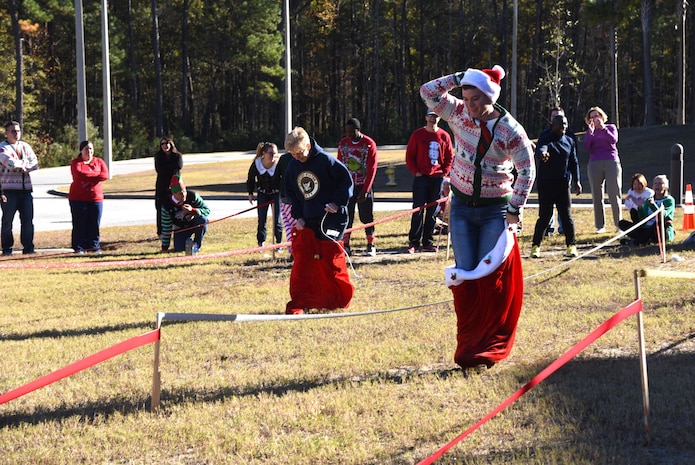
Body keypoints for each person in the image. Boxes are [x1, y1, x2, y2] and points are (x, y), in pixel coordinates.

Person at [420, 65, 535, 370]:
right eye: (466, 97)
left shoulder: (511, 130)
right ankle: (469, 347)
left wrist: (514, 210)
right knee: (464, 276)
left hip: (494, 210)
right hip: (460, 209)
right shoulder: (457, 114)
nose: (468, 104)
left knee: (488, 279)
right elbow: (427, 92)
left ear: (489, 97)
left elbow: (527, 170)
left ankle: (487, 347)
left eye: (474, 99)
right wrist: (460, 78)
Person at [283, 127, 354, 315]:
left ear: (308, 145)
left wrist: (337, 203)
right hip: (307, 221)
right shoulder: (292, 166)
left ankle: (336, 299)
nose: (296, 157)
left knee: (330, 263)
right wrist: (298, 216)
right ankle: (302, 302)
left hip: (331, 219)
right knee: (304, 265)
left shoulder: (327, 161)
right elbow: (292, 194)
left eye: (299, 153)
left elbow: (346, 183)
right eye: (292, 154)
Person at [530, 115, 582, 258]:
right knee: (545, 216)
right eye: (561, 124)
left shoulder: (569, 141)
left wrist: (577, 181)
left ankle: (571, 246)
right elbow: (541, 149)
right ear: (553, 125)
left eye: (566, 124)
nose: (564, 127)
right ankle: (536, 246)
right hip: (546, 183)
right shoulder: (546, 138)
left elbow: (574, 162)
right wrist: (543, 154)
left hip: (562, 183)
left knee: (566, 216)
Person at [405, 109, 454, 253]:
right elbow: (410, 156)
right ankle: (414, 242)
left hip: (436, 178)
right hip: (421, 178)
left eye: (436, 116)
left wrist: (444, 172)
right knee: (418, 210)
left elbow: (450, 156)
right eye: (430, 116)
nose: (433, 119)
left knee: (432, 211)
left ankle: (428, 241)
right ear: (426, 117)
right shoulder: (418, 135)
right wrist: (417, 172)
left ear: (439, 118)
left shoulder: (444, 136)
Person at [336, 118, 378, 256]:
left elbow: (372, 169)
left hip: (363, 185)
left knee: (367, 216)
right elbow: (340, 166)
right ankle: (346, 244)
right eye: (347, 131)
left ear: (358, 130)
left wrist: (366, 190)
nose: (349, 134)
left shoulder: (369, 144)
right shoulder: (343, 144)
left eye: (352, 131)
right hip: (348, 186)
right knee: (347, 216)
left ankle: (370, 244)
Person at [0, 121, 39, 256]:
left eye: (18, 131)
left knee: (28, 221)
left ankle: (28, 248)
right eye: (13, 131)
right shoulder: (2, 148)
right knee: (7, 222)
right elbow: (10, 163)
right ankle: (7, 249)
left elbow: (35, 163)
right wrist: (24, 164)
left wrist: (23, 165)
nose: (16, 134)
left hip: (26, 190)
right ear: (6, 133)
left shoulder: (25, 146)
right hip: (9, 191)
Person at [583, 106, 622, 233]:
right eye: (592, 117)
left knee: (614, 193)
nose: (595, 118)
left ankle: (618, 224)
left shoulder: (610, 127)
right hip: (594, 162)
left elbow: (613, 140)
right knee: (597, 195)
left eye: (597, 115)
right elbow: (586, 148)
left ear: (602, 116)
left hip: (611, 160)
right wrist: (590, 133)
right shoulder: (590, 132)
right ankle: (600, 226)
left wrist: (603, 128)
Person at [68, 140, 109, 254]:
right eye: (86, 149)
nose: (89, 151)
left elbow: (105, 175)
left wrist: (89, 177)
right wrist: (96, 176)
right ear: (81, 151)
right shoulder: (76, 162)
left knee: (94, 223)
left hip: (96, 198)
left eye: (91, 149)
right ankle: (79, 247)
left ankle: (93, 246)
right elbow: (79, 174)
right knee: (80, 223)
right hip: (78, 198)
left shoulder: (99, 161)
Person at [545, 107, 576, 236]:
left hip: (564, 176)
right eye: (554, 116)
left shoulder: (569, 136)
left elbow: (574, 159)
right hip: (548, 177)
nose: (556, 118)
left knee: (564, 206)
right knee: (548, 205)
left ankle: (563, 228)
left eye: (559, 116)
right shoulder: (546, 134)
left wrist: (576, 178)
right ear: (551, 119)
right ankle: (549, 228)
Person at [618, 174, 674, 246]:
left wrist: (653, 205)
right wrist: (640, 207)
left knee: (658, 223)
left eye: (660, 183)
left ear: (666, 186)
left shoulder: (669, 200)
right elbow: (643, 218)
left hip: (659, 230)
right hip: (646, 228)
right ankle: (642, 239)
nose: (657, 185)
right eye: (655, 183)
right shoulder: (649, 199)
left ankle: (637, 241)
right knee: (622, 223)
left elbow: (662, 216)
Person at [160, 175, 210, 253]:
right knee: (180, 249)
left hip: (195, 223)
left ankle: (197, 245)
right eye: (180, 194)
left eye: (184, 192)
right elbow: (166, 227)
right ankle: (186, 243)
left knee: (203, 220)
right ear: (173, 193)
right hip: (180, 228)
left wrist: (193, 211)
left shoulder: (193, 196)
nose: (183, 195)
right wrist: (164, 247)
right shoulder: (167, 205)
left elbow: (207, 210)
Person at [247, 142, 282, 248]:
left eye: (275, 153)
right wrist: (250, 193)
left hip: (276, 194)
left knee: (277, 220)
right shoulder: (257, 163)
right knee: (262, 219)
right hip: (262, 193)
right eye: (270, 153)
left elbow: (285, 178)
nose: (273, 156)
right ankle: (261, 242)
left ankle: (279, 243)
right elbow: (251, 179)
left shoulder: (279, 164)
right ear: (264, 153)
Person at [154, 137, 183, 236]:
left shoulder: (177, 156)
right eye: (162, 144)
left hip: (175, 185)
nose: (165, 145)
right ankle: (161, 232)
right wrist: (170, 168)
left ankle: (177, 229)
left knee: (176, 207)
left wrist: (167, 169)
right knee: (160, 208)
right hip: (161, 186)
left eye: (167, 143)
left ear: (171, 144)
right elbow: (159, 170)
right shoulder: (158, 156)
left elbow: (178, 166)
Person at [277, 150, 297, 258]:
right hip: (293, 198)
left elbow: (276, 176)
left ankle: (293, 250)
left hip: (285, 197)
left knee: (289, 226)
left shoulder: (284, 159)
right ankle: (294, 250)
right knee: (294, 226)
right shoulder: (299, 158)